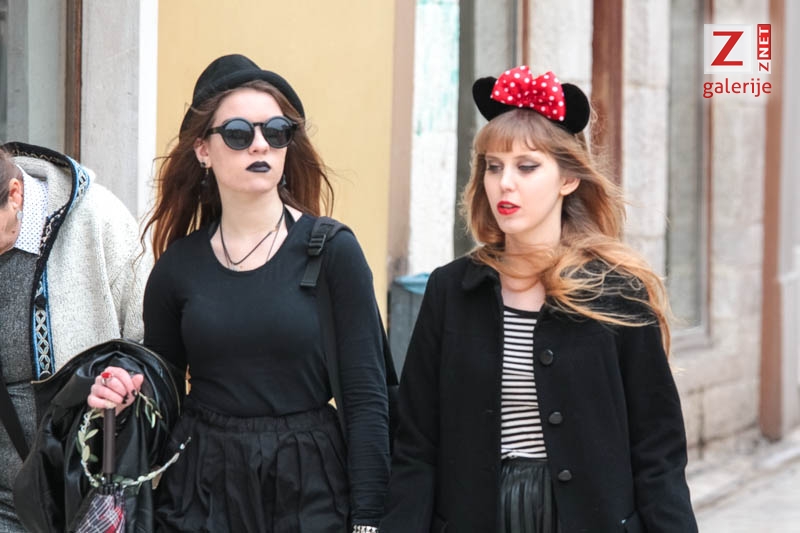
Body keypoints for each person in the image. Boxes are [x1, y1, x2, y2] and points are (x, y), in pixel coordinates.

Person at [381, 66, 698, 533]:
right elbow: (417, 444)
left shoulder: (616, 292)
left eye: (526, 167)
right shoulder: (451, 290)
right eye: (493, 166)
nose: (504, 183)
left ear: (568, 178)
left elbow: (658, 449)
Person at [87, 54, 390, 533]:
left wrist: (369, 520)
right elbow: (163, 395)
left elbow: (366, 398)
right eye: (237, 133)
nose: (260, 144)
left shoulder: (334, 252)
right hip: (201, 488)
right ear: (203, 150)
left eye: (276, 131)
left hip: (310, 488)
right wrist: (124, 398)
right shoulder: (177, 268)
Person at [0, 142, 150, 531]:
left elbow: (151, 351)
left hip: (86, 500)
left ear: (15, 195)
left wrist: (123, 386)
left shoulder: (99, 222)